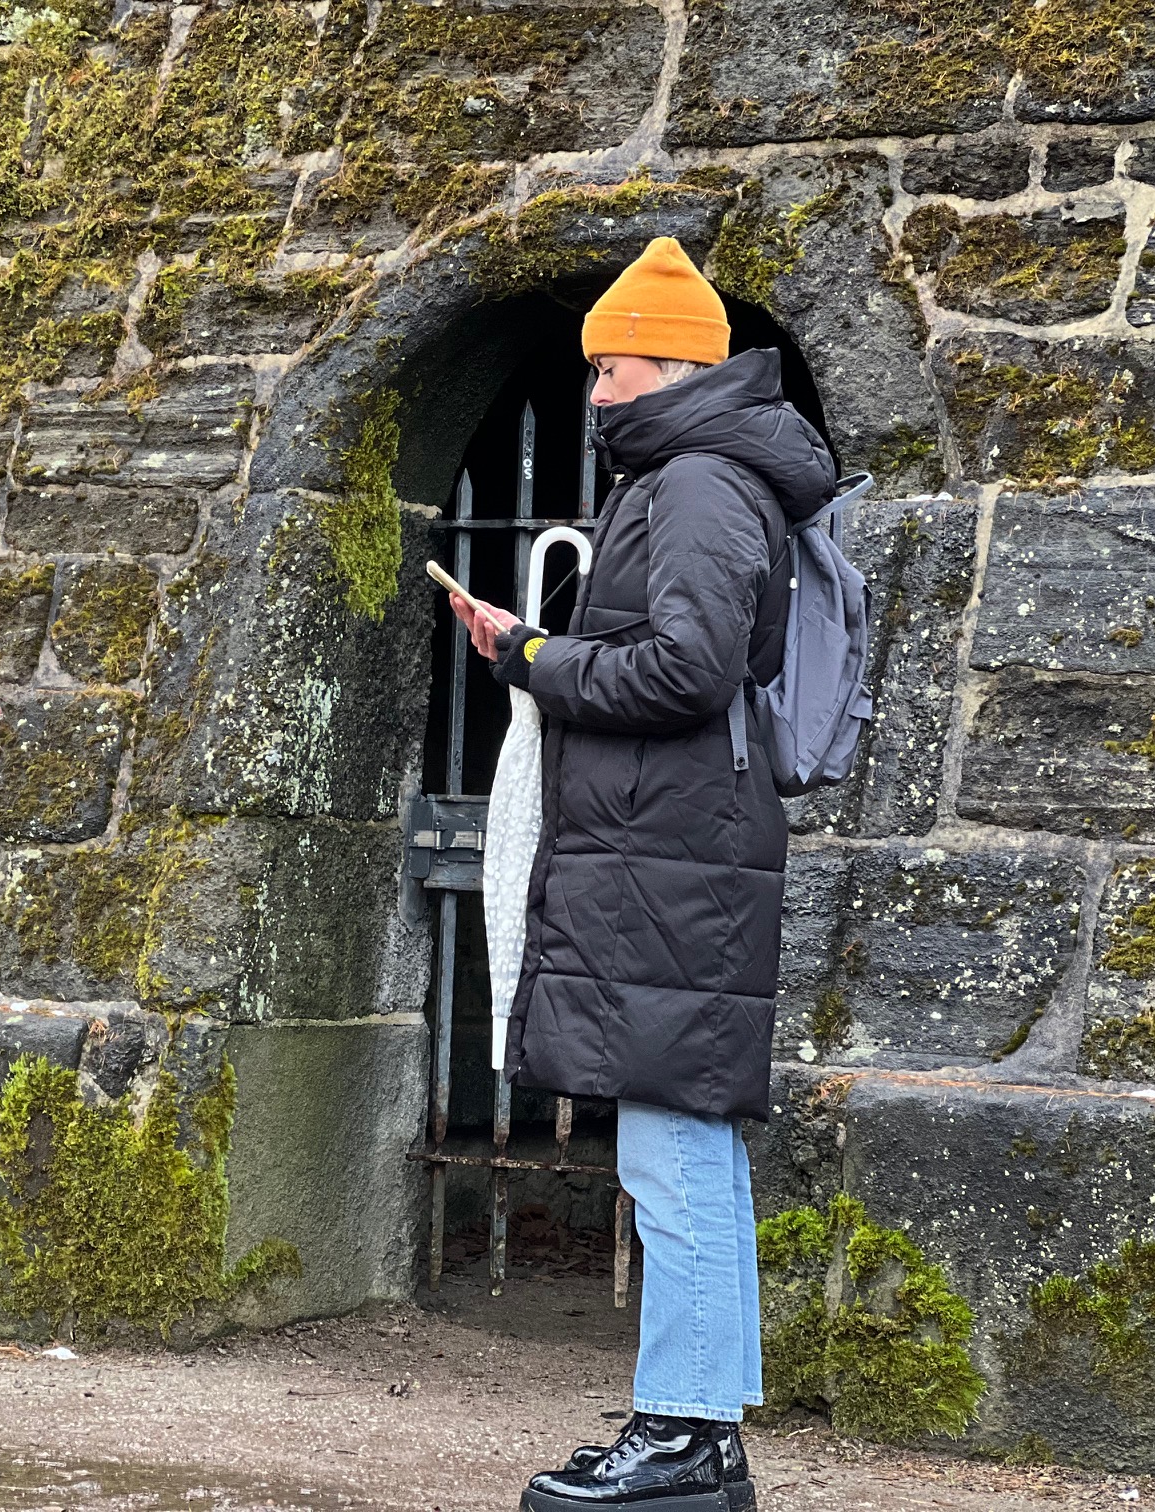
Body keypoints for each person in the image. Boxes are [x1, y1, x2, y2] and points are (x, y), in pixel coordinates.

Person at [450, 238, 835, 1512]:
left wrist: (535, 661)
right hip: (672, 849)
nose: (596, 390)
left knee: (672, 1154)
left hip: (673, 857)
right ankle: (698, 1437)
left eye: (610, 365)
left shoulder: (701, 484)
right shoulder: (703, 478)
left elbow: (686, 670)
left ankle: (683, 1434)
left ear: (669, 363)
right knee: (686, 1148)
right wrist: (542, 650)